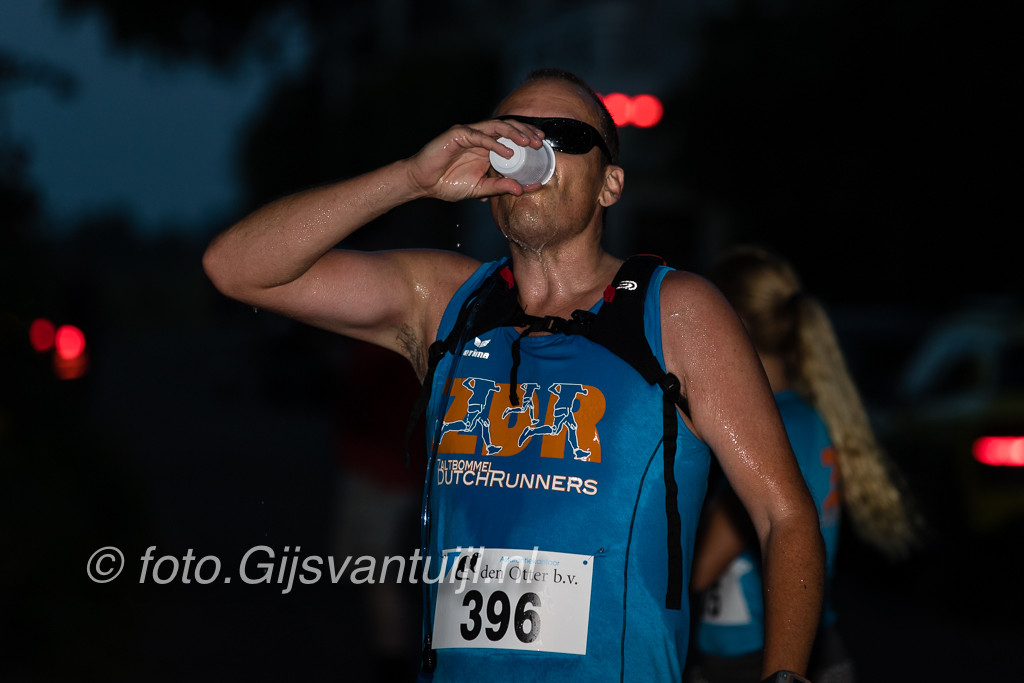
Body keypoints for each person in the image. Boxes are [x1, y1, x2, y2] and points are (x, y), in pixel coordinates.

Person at [203, 68, 825, 681]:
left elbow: (785, 516)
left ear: (610, 184)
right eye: (511, 134)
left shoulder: (675, 313)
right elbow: (237, 268)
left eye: (563, 136)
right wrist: (411, 179)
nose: (532, 149)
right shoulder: (445, 301)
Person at [687, 246, 920, 683]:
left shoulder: (769, 428)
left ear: (733, 323)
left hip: (756, 655)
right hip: (804, 646)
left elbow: (700, 568)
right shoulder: (802, 416)